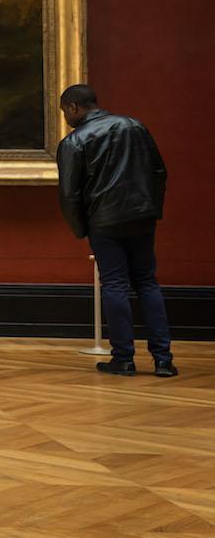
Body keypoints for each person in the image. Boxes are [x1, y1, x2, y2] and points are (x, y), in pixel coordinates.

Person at [57, 84, 176, 378]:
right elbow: (159, 172)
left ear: (73, 107)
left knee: (115, 285)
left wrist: (80, 229)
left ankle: (123, 358)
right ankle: (163, 360)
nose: (65, 118)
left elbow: (69, 194)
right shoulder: (134, 126)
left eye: (64, 112)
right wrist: (151, 209)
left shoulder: (74, 142)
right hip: (142, 218)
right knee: (148, 283)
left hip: (105, 222)